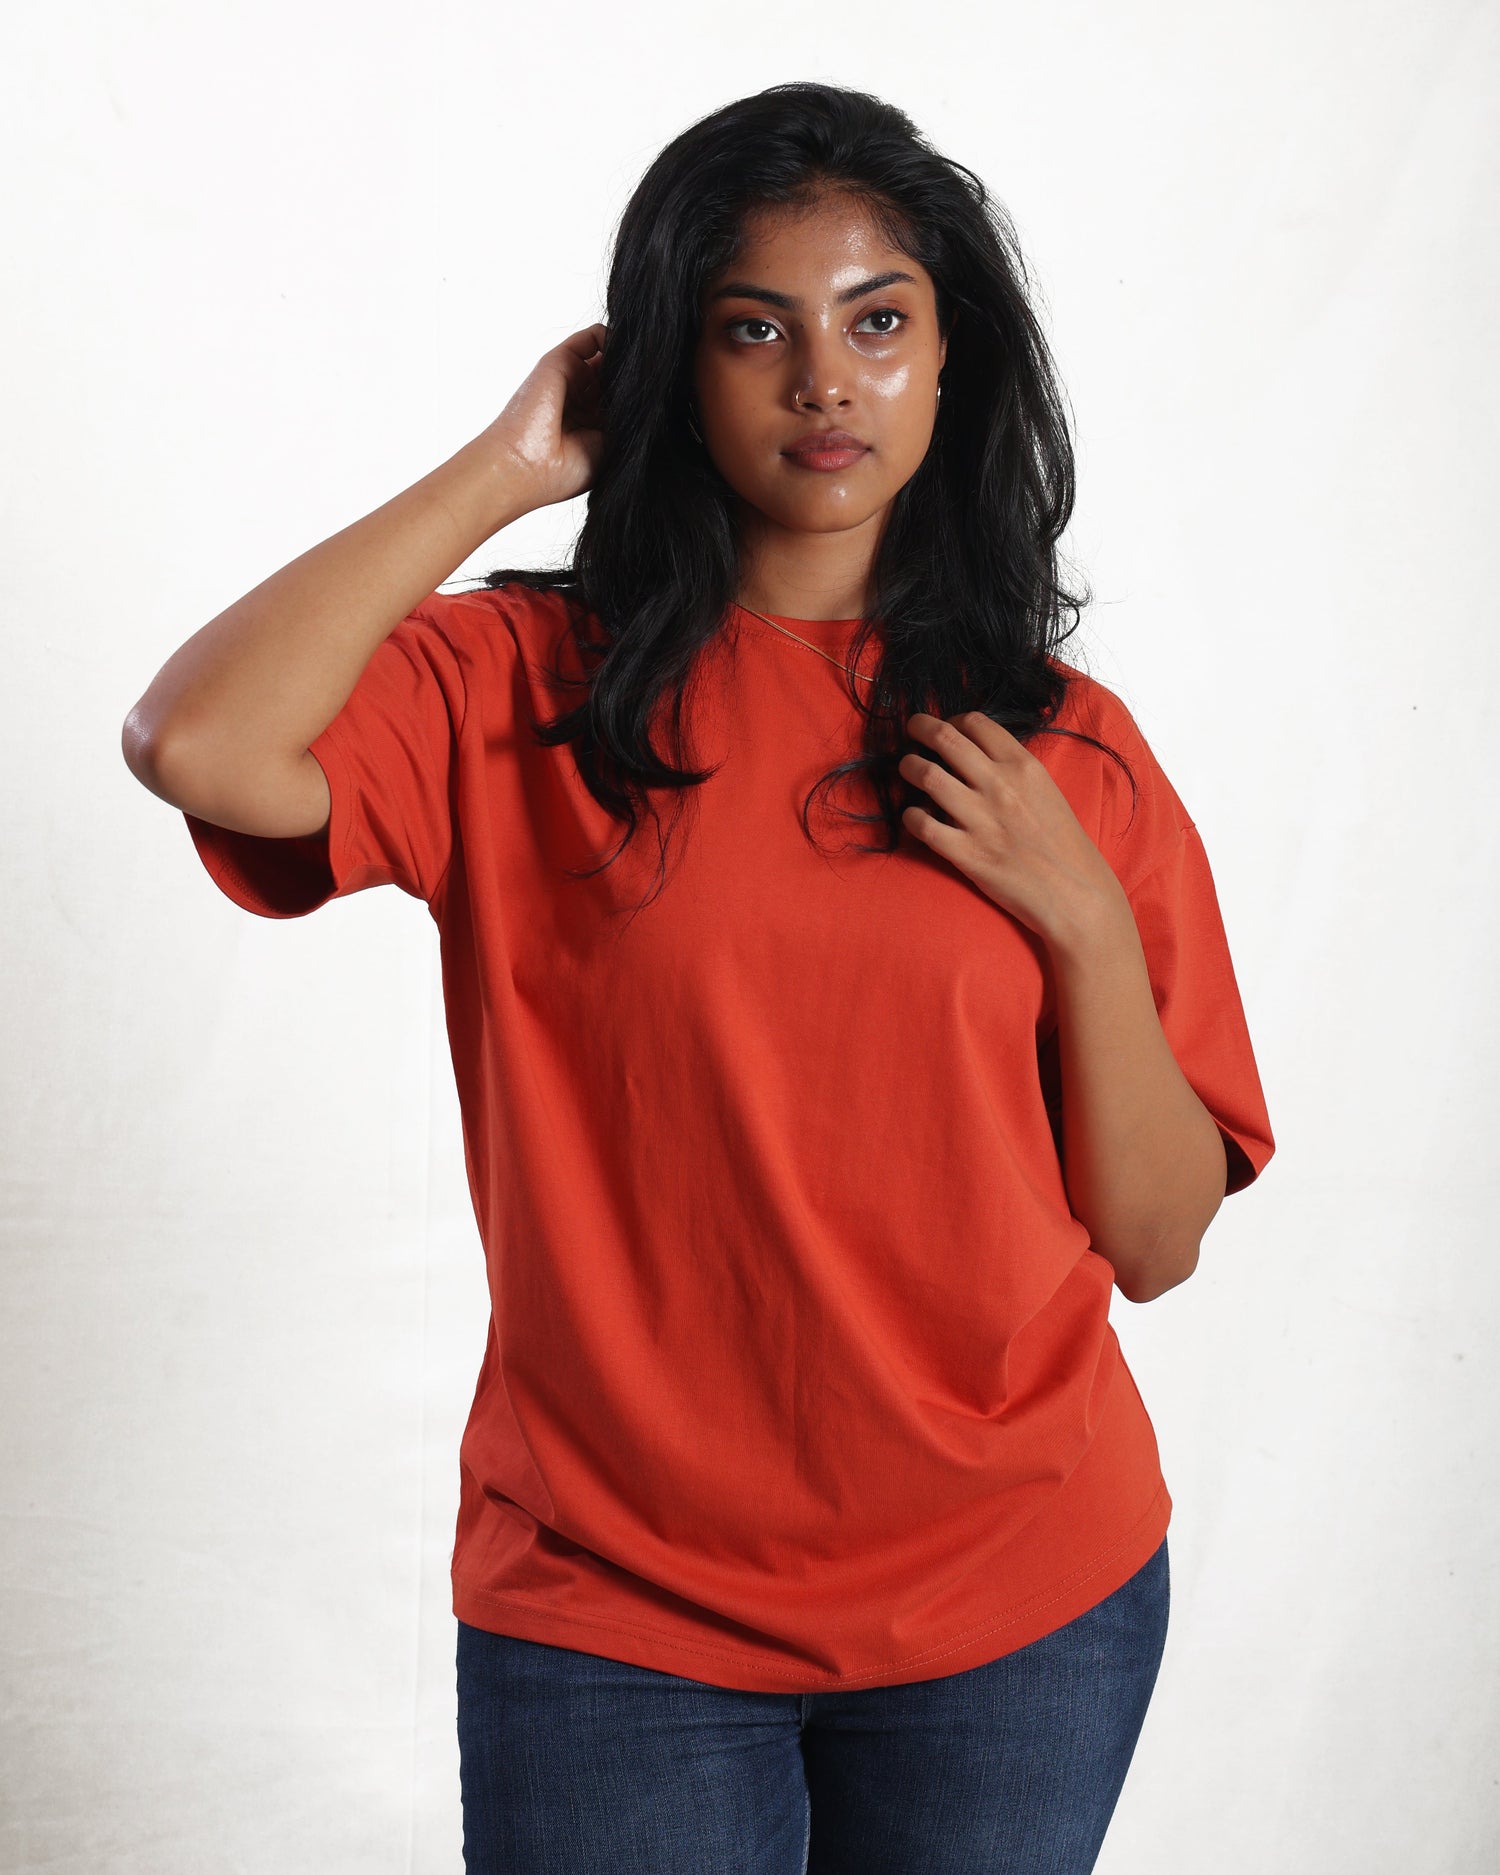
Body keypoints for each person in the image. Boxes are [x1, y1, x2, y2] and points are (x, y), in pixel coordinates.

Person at [122, 79, 1275, 1875]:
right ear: (673, 366)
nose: (828, 381)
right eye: (757, 331)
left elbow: (1158, 1241)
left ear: (955, 360)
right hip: (610, 1618)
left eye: (879, 323)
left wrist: (1085, 922)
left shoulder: (1072, 757)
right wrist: (510, 463)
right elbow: (196, 743)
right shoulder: (513, 688)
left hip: (1019, 1606)